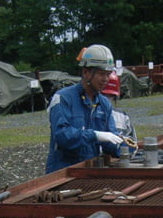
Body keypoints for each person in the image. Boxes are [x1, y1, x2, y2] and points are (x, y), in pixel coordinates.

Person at [45, 44, 125, 173]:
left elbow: (110, 142)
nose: (105, 79)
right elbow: (62, 136)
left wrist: (125, 146)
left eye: (108, 74)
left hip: (89, 172)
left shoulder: (104, 104)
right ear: (86, 72)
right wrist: (94, 135)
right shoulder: (63, 98)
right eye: (101, 74)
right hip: (63, 174)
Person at [102, 71, 136, 142]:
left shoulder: (123, 117)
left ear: (115, 97)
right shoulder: (86, 115)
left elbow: (133, 145)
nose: (106, 99)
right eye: (103, 95)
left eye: (110, 96)